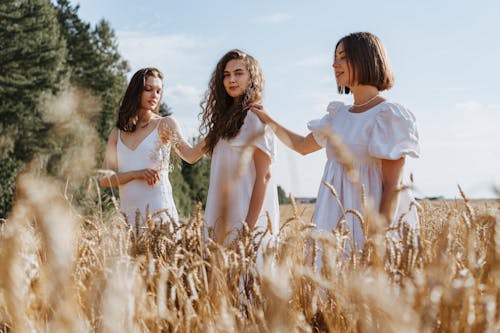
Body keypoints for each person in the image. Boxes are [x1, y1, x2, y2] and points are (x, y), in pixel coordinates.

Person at [251, 32, 420, 254]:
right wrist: (268, 120)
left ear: (365, 59)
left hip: (372, 224)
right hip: (334, 221)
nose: (334, 64)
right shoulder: (338, 115)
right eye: (335, 56)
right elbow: (302, 146)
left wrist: (377, 241)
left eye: (342, 57)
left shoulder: (388, 115)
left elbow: (393, 186)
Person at [99, 67, 204, 230]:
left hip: (159, 213)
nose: (154, 95)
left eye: (158, 91)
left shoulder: (165, 124)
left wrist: (216, 132)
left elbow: (190, 156)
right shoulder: (117, 133)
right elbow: (105, 179)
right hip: (128, 218)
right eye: (148, 89)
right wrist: (135, 174)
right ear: (135, 91)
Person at [200, 49, 279, 260]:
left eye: (238, 73)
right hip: (221, 215)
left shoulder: (255, 117)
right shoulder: (223, 122)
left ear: (252, 77)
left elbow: (264, 176)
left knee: (245, 287)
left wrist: (246, 232)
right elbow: (190, 156)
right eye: (226, 75)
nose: (231, 79)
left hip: (245, 220)